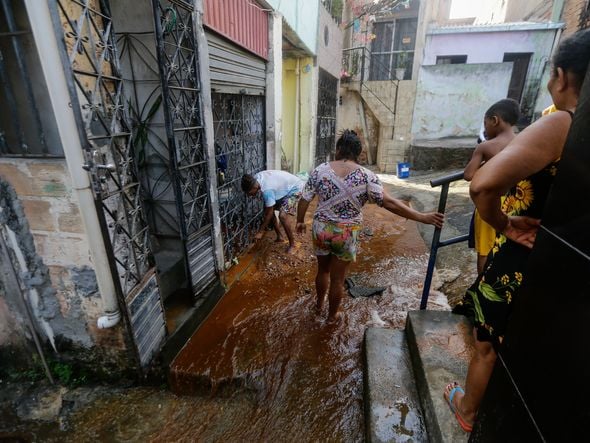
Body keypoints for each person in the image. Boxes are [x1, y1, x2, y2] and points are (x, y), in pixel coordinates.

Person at [445, 29, 590, 433]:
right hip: (564, 267)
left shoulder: (562, 121)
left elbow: (480, 184)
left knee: (487, 341)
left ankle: (468, 411)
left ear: (561, 77)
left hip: (523, 255)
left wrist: (503, 223)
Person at [296, 130, 444, 323]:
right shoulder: (367, 176)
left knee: (322, 271)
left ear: (339, 149)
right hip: (346, 233)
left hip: (321, 229)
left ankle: (318, 306)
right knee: (338, 280)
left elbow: (305, 198)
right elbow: (389, 202)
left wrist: (299, 220)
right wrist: (421, 217)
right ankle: (332, 317)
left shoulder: (320, 170)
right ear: (358, 153)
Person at [464, 98, 521, 274]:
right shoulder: (524, 142)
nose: (485, 129)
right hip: (514, 202)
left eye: (485, 123)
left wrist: (487, 165)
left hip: (490, 203)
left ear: (495, 120)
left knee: (484, 250)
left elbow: (468, 175)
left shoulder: (486, 147)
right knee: (505, 244)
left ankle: (481, 287)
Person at [242, 170, 304, 253]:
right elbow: (269, 211)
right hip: (286, 187)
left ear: (254, 188)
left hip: (296, 188)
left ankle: (293, 244)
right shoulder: (256, 178)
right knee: (267, 210)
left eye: (249, 193)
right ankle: (280, 237)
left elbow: (270, 213)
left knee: (282, 216)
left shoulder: (267, 191)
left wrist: (260, 231)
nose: (249, 195)